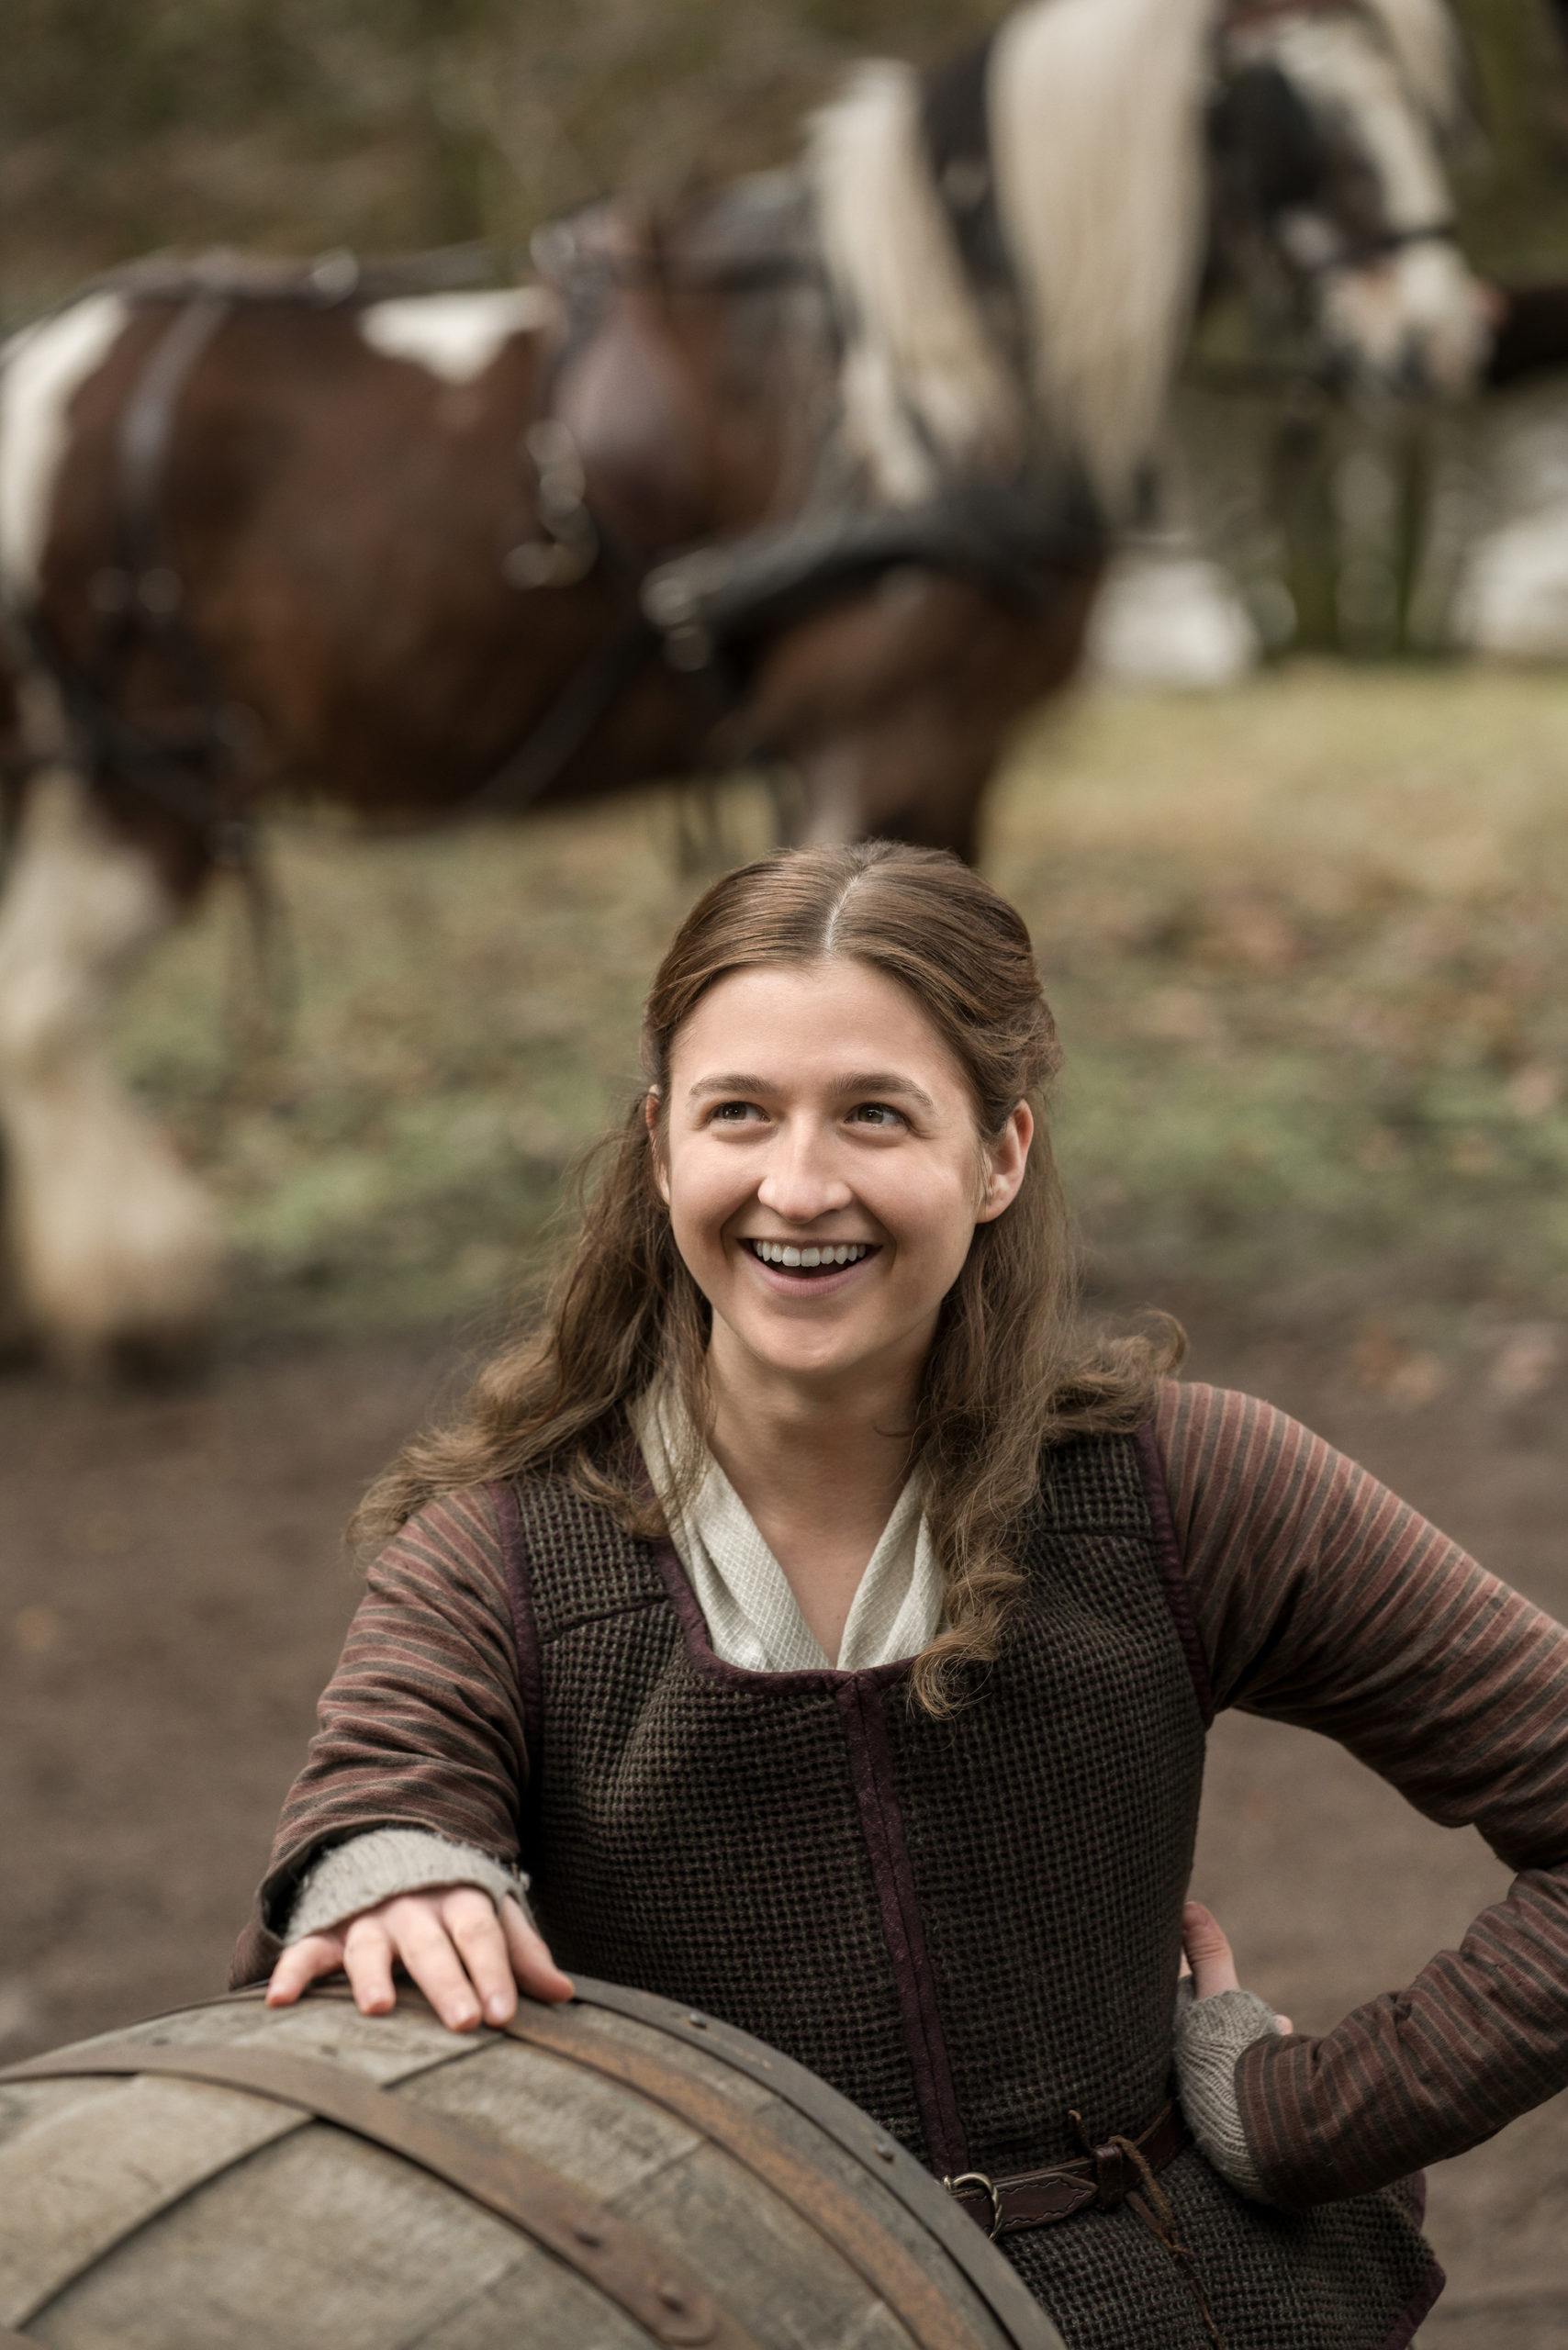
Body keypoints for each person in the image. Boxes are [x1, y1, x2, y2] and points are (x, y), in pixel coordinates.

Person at [238, 842, 1568, 2350]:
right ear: (665, 1142)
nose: (800, 1186)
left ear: (998, 1154)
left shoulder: (1188, 1488)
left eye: (876, 1113)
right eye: (742, 1112)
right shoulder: (499, 1558)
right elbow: (385, 1785)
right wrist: (392, 1869)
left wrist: (1305, 2122)